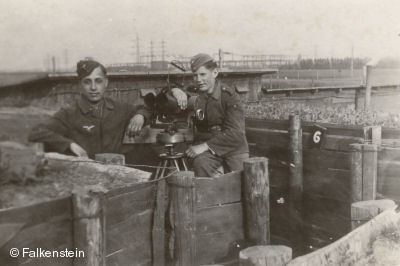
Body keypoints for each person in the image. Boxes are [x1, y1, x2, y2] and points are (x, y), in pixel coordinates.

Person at [28, 58, 187, 159]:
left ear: (106, 83)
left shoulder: (118, 108)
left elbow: (146, 108)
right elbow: (36, 132)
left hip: (116, 171)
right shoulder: (69, 113)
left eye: (98, 81)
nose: (93, 87)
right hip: (87, 174)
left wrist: (140, 116)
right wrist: (69, 144)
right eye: (87, 82)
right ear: (79, 85)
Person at [185, 53, 249, 177]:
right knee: (200, 164)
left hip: (233, 149)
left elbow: (236, 134)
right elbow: (170, 96)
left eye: (202, 74)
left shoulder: (229, 97)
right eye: (195, 75)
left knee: (243, 183)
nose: (198, 80)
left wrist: (204, 146)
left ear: (215, 73)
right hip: (210, 151)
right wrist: (176, 92)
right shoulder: (196, 94)